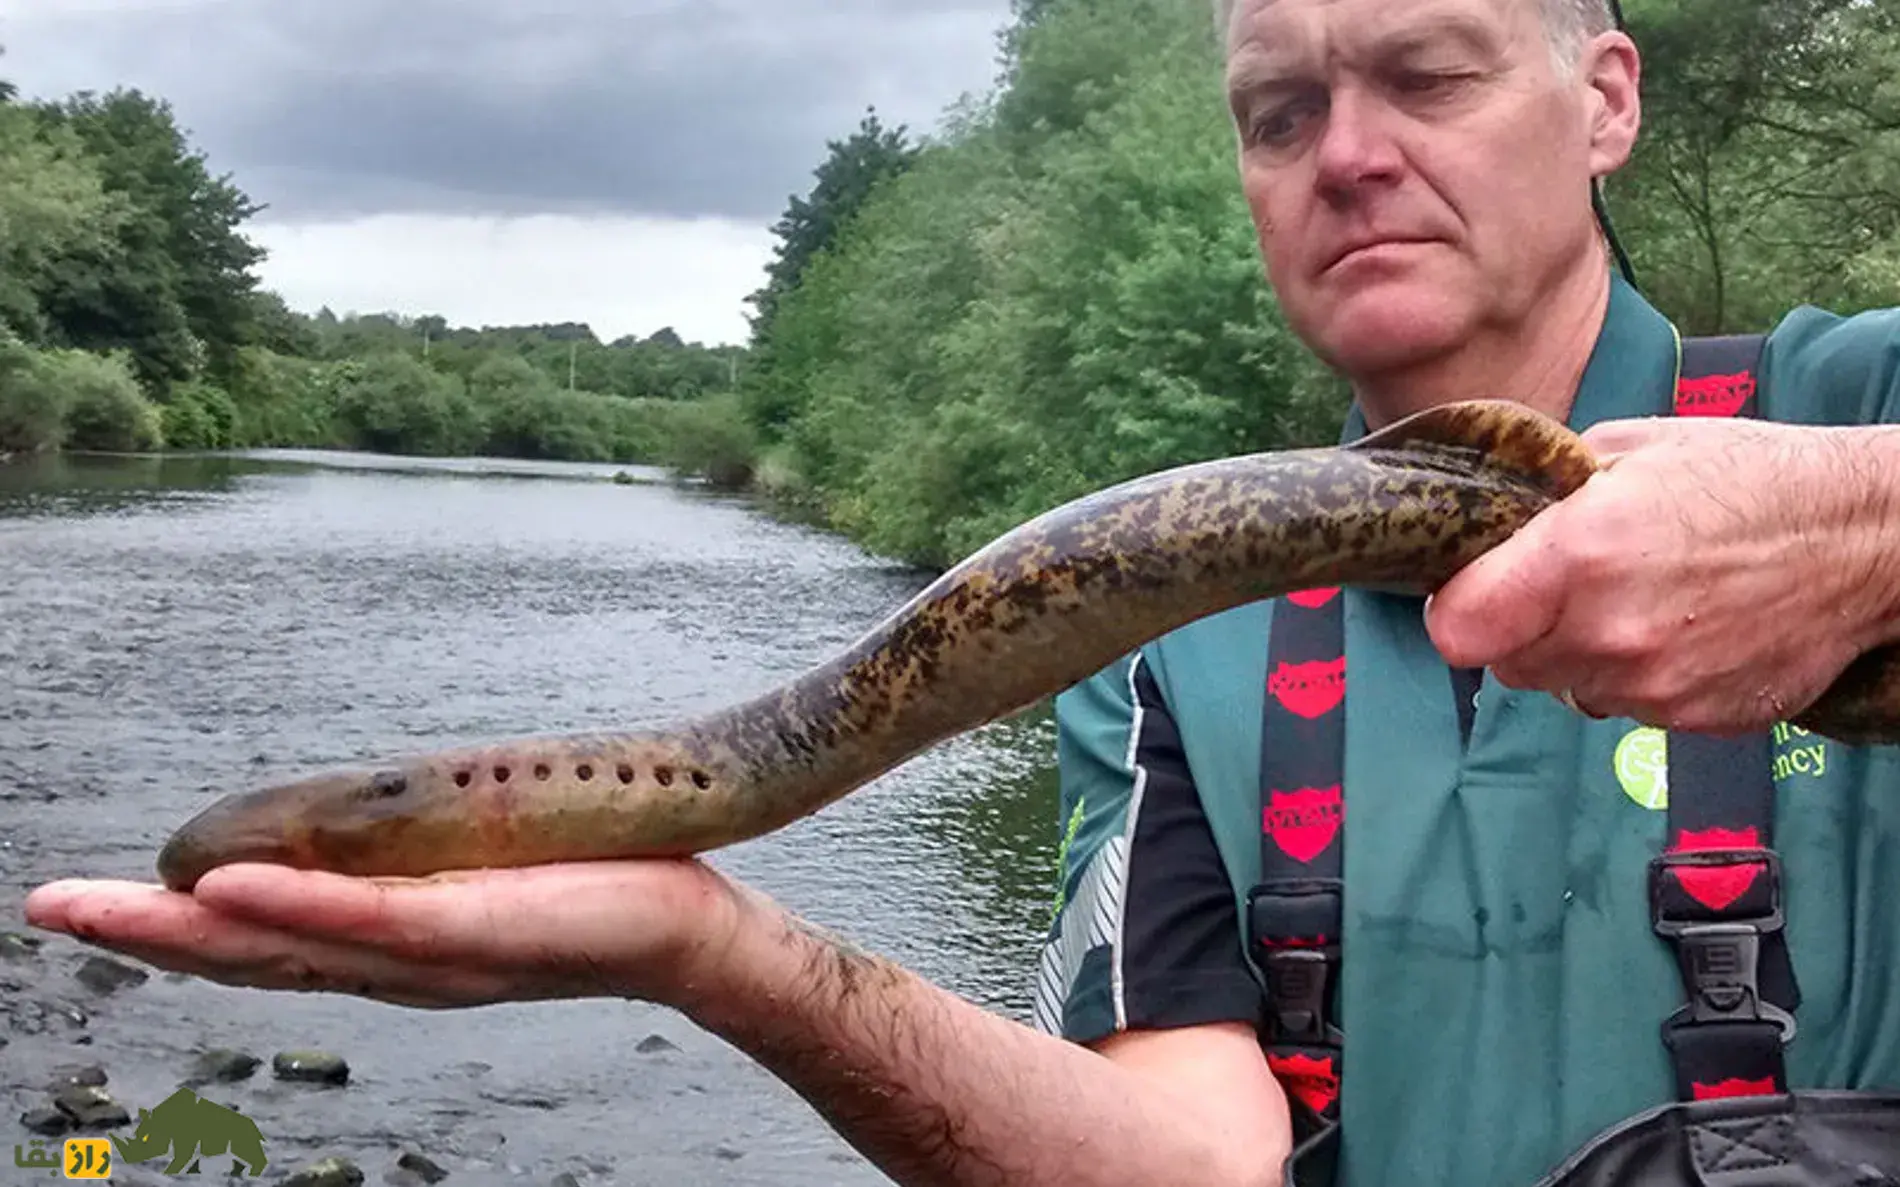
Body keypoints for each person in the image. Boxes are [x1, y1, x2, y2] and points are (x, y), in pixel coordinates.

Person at [21, 0, 1900, 1184]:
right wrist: (722, 956)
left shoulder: (1861, 405)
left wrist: (1864, 528)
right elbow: (1190, 1170)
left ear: (1606, 98)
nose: (1348, 154)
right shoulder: (1171, 655)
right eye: (1276, 113)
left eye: (1427, 72)